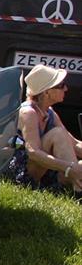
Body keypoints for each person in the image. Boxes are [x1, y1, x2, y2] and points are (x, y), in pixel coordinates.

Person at [14, 64, 82, 193]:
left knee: (61, 136)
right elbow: (33, 152)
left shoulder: (49, 112)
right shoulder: (28, 112)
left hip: (46, 170)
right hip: (25, 174)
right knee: (57, 134)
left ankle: (78, 186)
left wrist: (72, 168)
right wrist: (70, 167)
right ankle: (78, 189)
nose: (66, 88)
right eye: (61, 85)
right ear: (46, 92)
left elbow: (74, 144)